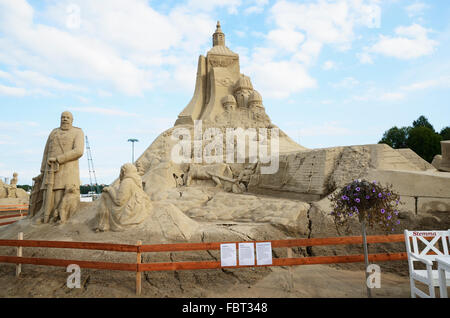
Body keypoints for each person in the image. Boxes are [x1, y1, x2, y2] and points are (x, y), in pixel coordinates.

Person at [35, 111, 84, 223]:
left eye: (67, 117)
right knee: (47, 194)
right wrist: (42, 170)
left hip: (67, 169)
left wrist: (59, 159)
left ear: (72, 120)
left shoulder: (77, 132)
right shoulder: (54, 132)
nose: (65, 119)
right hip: (49, 169)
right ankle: (44, 216)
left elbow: (79, 151)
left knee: (59, 194)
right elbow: (46, 152)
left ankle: (56, 217)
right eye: (63, 117)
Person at [95, 163, 152, 232]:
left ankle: (103, 225)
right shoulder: (136, 180)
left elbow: (119, 201)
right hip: (138, 209)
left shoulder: (126, 182)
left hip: (128, 215)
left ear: (124, 172)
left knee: (105, 195)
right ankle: (103, 224)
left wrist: (110, 190)